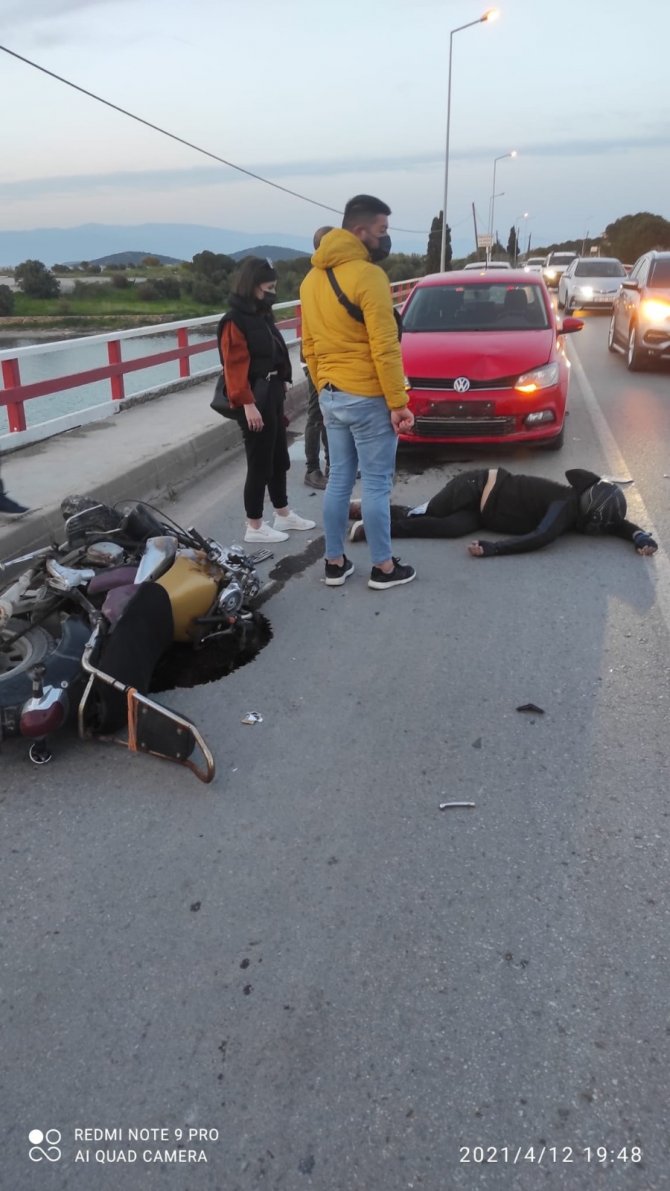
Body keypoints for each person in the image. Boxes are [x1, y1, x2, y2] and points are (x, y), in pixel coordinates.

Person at [300, 195, 416, 590]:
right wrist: (398, 402)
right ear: (359, 231)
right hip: (367, 397)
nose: (385, 239)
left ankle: (334, 563)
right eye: (382, 231)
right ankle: (384, 567)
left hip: (331, 393)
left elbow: (309, 347)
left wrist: (324, 387)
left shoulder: (310, 281)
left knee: (338, 481)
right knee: (377, 484)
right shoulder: (369, 277)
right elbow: (384, 347)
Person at [217, 257, 315, 544]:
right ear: (253, 285)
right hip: (253, 398)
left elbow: (274, 351)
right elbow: (234, 366)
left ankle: (282, 513)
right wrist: (247, 404)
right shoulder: (234, 321)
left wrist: (282, 382)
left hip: (271, 392)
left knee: (278, 457)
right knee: (259, 461)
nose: (272, 292)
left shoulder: (261, 315)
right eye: (268, 287)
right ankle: (254, 525)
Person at [348, 467, 658, 557]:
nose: (601, 529)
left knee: (446, 528)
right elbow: (540, 536)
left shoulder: (581, 507)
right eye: (599, 524)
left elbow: (615, 523)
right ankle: (373, 513)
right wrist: (493, 548)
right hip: (475, 485)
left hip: (482, 514)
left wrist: (639, 536)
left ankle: (372, 527)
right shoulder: (565, 507)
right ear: (591, 514)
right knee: (424, 513)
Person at [303, 226, 333, 491]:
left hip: (330, 358)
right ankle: (312, 468)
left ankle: (333, 465)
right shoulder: (314, 280)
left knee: (331, 414)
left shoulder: (331, 276)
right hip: (317, 359)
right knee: (317, 414)